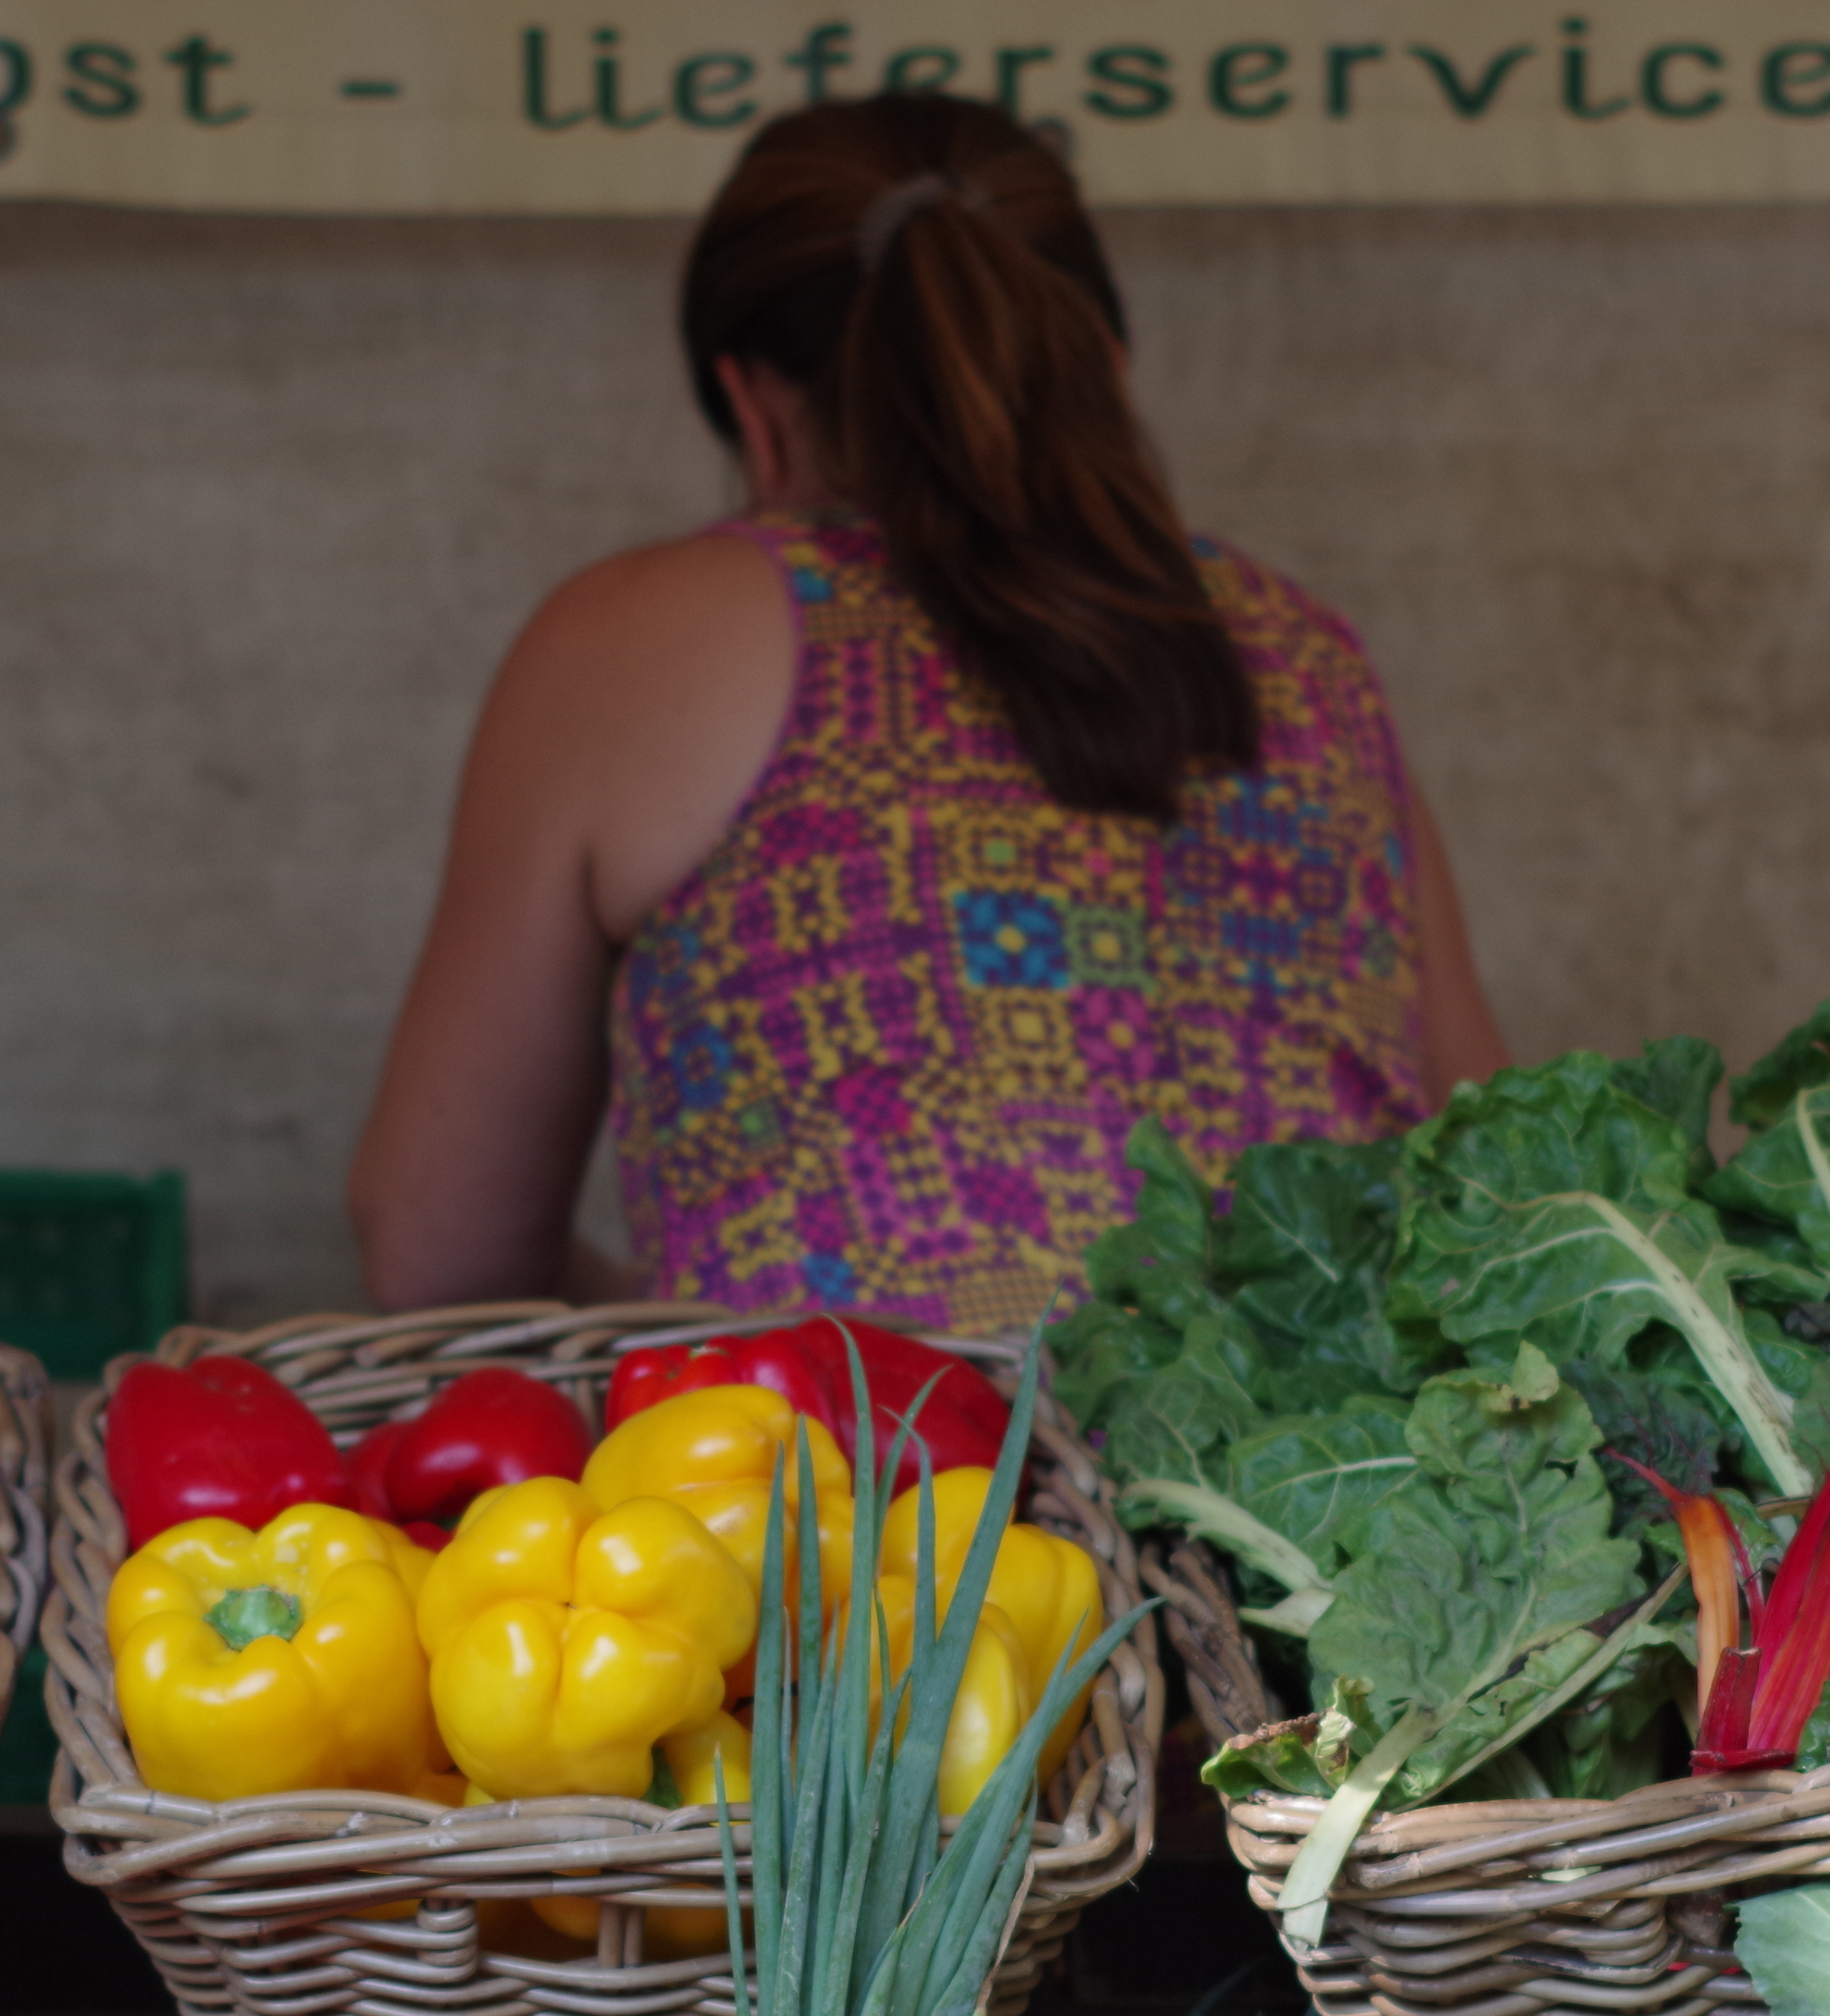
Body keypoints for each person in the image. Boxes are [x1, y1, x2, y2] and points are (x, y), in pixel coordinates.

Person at [349, 91, 1506, 1336]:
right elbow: (1493, 1175)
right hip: (1307, 1504)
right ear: (1103, 367)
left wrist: (698, 1319)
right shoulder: (1303, 654)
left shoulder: (636, 638)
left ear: (749, 402)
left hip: (859, 1507)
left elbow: (438, 1248)